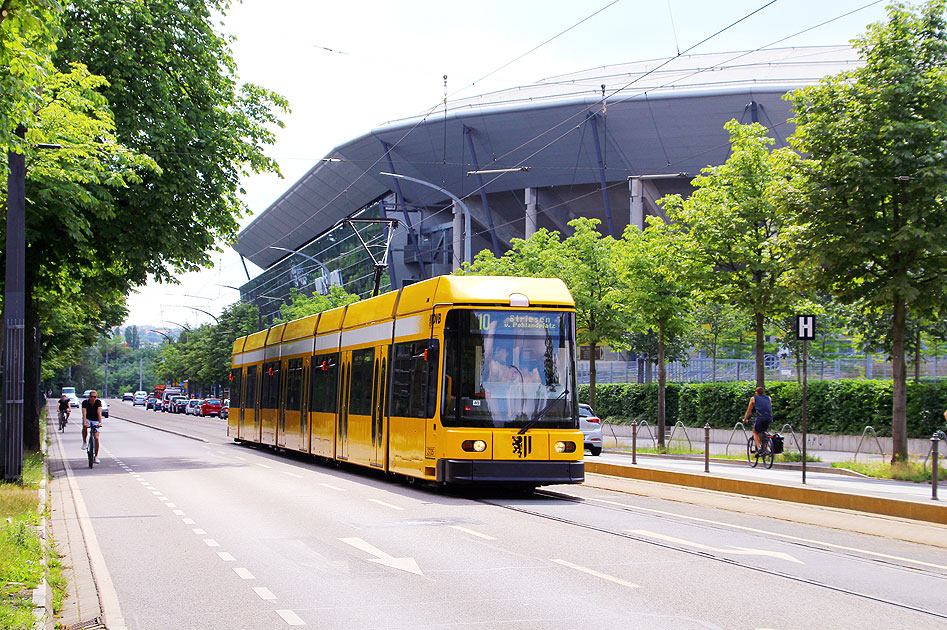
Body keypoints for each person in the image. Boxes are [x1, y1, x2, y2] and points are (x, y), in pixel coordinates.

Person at [743, 385, 773, 453]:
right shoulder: (769, 398)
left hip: (760, 417)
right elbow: (769, 408)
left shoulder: (753, 398)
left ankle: (759, 448)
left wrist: (745, 418)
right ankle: (765, 447)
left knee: (755, 431)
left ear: (756, 393)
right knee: (764, 431)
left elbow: (749, 410)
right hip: (769, 417)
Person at [81, 389, 103, 463]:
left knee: (96, 438)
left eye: (94, 397)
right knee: (84, 426)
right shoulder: (85, 403)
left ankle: (96, 456)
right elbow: (84, 413)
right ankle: (84, 441)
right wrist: (85, 422)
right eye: (91, 397)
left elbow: (99, 412)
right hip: (88, 418)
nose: (92, 398)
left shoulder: (98, 402)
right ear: (89, 397)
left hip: (95, 420)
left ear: (96, 397)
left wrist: (99, 423)